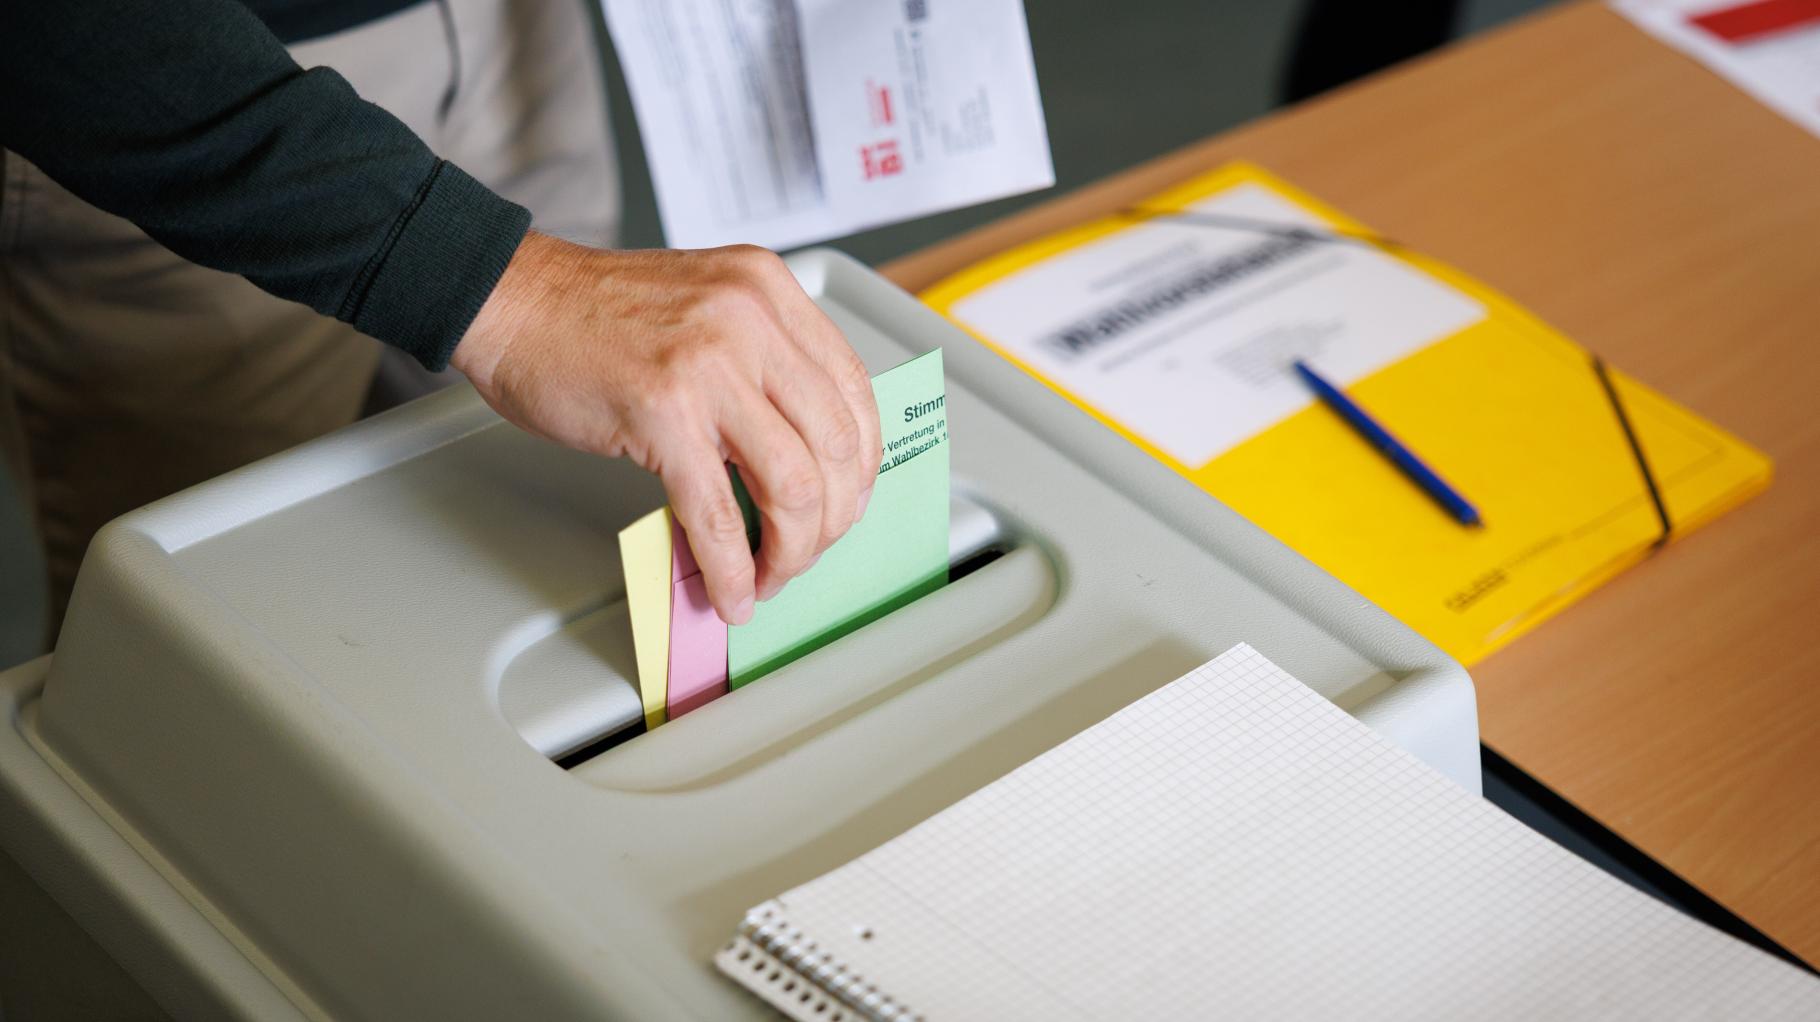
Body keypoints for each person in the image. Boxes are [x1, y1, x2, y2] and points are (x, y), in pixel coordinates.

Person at [0, 0, 879, 642]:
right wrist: (500, 285)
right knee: (227, 634)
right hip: (204, 67)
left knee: (545, 545)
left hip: (525, 32)